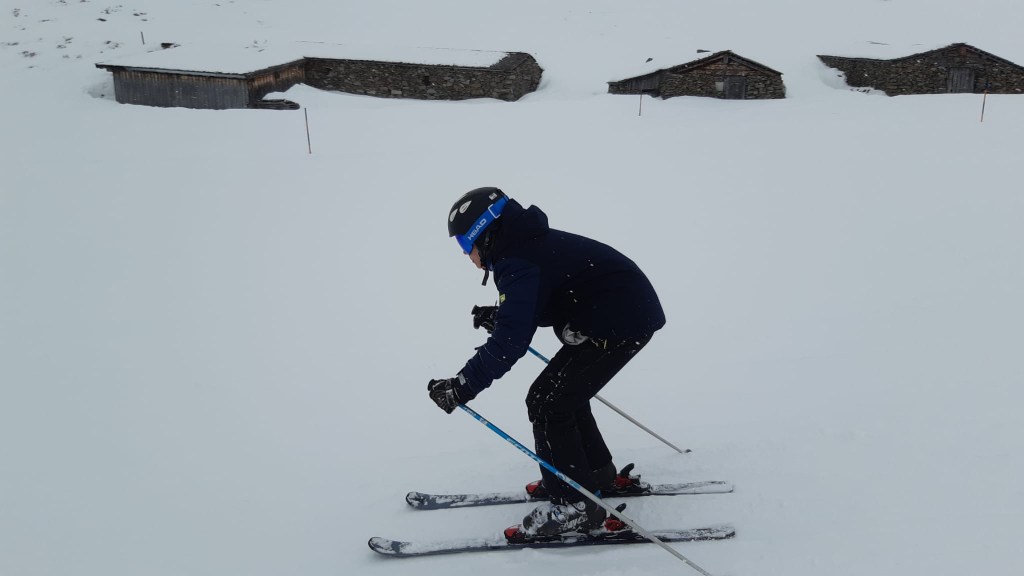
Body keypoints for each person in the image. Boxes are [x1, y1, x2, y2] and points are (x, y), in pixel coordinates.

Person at [428, 187, 665, 537]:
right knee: (561, 395)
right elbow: (547, 296)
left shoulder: (518, 259)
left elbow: (509, 344)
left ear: (484, 232)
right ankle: (592, 475)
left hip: (620, 323)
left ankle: (575, 505)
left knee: (548, 401)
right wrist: (506, 316)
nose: (466, 254)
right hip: (615, 316)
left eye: (465, 243)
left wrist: (461, 387)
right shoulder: (523, 247)